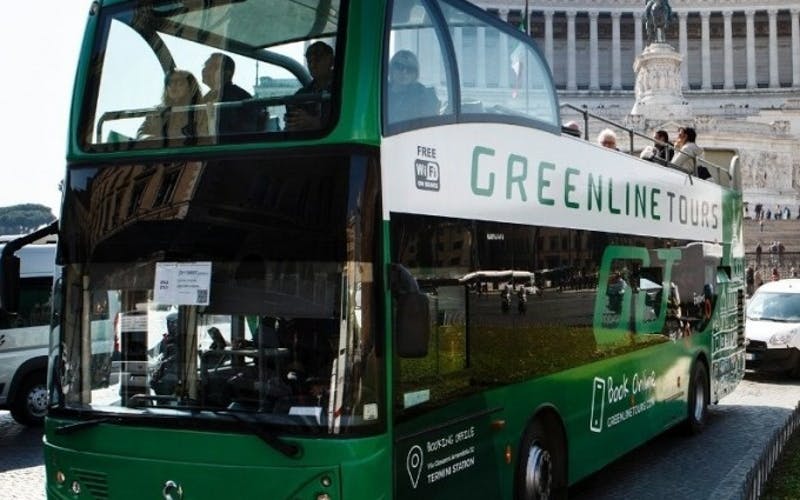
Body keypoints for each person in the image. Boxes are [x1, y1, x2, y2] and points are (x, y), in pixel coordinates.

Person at [137, 70, 208, 144]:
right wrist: (147, 138)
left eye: (179, 82)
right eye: (169, 82)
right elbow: (141, 133)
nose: (173, 85)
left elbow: (204, 138)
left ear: (191, 86)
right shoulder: (157, 112)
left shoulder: (201, 111)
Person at [201, 53, 262, 135]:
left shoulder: (239, 98)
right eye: (205, 66)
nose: (204, 70)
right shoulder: (207, 97)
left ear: (227, 73)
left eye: (211, 67)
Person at [285, 41, 335, 131]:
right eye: (309, 61)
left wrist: (315, 123)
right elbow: (291, 127)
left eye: (317, 60)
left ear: (331, 61)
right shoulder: (301, 95)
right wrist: (292, 123)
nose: (312, 65)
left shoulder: (345, 89)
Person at [387, 50, 439, 123]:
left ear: (416, 74)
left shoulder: (422, 95)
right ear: (391, 69)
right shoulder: (380, 91)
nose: (404, 72)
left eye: (410, 69)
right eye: (399, 67)